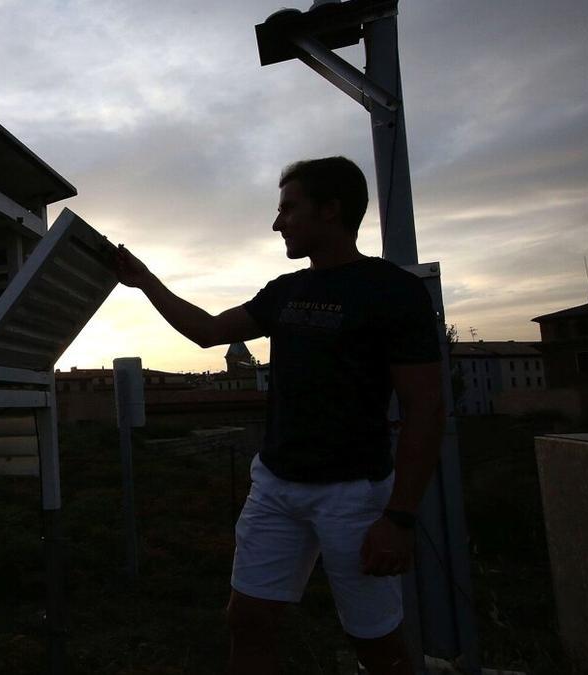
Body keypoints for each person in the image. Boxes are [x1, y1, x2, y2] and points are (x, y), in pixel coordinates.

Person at [114, 156, 445, 675]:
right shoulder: (286, 290)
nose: (277, 222)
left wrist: (399, 518)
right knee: (247, 620)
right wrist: (146, 281)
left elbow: (426, 408)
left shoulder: (392, 292)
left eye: (288, 209)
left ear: (330, 211)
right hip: (274, 487)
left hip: (353, 495)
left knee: (377, 646)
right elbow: (206, 331)